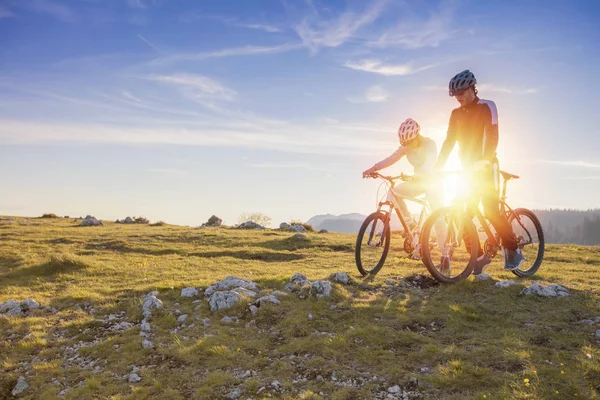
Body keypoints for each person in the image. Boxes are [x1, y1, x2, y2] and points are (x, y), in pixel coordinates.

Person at [435, 69, 524, 274]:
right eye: (455, 95)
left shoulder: (487, 106)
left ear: (472, 88)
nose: (458, 98)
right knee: (461, 213)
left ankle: (513, 249)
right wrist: (438, 167)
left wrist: (484, 160)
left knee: (490, 210)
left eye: (462, 93)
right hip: (467, 170)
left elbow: (493, 136)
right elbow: (449, 142)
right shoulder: (455, 114)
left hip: (486, 166)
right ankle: (475, 257)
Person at [362, 118, 443, 237]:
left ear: (417, 136)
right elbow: (392, 158)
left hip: (433, 183)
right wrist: (374, 168)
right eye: (404, 143)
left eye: (409, 142)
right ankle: (410, 224)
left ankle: (445, 252)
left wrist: (418, 175)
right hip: (417, 182)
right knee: (394, 193)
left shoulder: (429, 144)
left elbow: (429, 165)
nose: (407, 145)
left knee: (437, 216)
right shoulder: (406, 146)